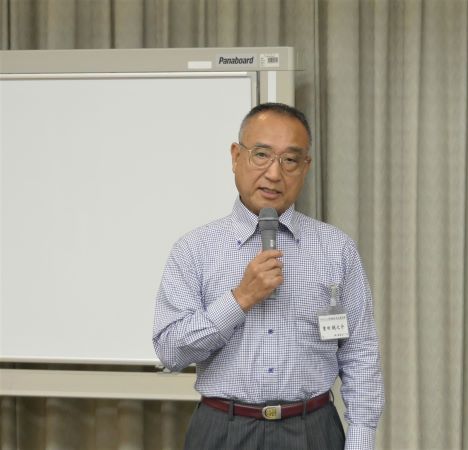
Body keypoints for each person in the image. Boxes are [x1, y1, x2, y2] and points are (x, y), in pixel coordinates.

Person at [153, 103, 384, 450]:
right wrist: (239, 300)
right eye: (261, 155)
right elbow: (171, 351)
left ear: (305, 167)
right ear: (236, 157)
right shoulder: (195, 249)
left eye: (289, 160)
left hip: (312, 430)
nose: (274, 173)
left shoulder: (336, 248)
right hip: (222, 430)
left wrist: (361, 441)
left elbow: (360, 352)